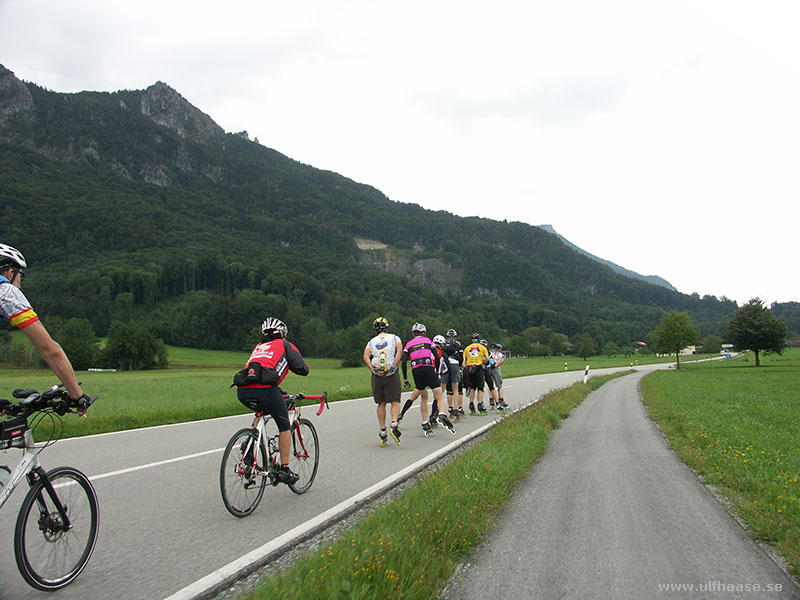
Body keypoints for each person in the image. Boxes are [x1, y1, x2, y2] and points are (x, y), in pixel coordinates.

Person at [0, 244, 91, 409]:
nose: (20, 282)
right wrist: (77, 396)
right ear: (10, 272)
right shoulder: (6, 292)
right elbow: (50, 350)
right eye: (21, 275)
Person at [236, 317, 309, 484]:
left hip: (243, 390)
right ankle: (284, 469)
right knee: (284, 425)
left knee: (262, 412)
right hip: (266, 390)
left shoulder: (259, 347)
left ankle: (250, 443)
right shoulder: (284, 344)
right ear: (282, 333)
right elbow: (303, 369)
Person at [400, 323, 455, 436]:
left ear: (413, 333)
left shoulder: (409, 344)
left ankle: (423, 422)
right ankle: (442, 415)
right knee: (438, 395)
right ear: (423, 332)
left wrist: (405, 378)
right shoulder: (427, 341)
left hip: (416, 370)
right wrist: (436, 371)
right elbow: (436, 354)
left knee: (422, 397)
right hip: (428, 368)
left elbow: (404, 361)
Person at [363, 317, 403, 446]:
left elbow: (365, 356)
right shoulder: (395, 337)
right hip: (390, 371)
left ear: (375, 330)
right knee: (395, 401)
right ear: (387, 328)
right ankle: (394, 422)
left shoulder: (371, 341)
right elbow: (399, 351)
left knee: (381, 403)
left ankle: (383, 431)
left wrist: (372, 369)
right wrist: (394, 366)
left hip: (377, 373)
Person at [462, 333, 489, 415]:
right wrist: (483, 362)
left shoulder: (467, 348)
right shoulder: (483, 348)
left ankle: (471, 404)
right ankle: (480, 405)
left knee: (472, 387)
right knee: (480, 387)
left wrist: (466, 368)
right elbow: (487, 359)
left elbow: (463, 361)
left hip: (469, 368)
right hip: (478, 367)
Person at [440, 329, 464, 419]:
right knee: (456, 388)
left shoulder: (444, 344)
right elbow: (461, 358)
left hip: (446, 364)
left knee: (442, 388)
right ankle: (456, 409)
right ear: (456, 337)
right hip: (455, 364)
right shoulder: (457, 345)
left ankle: (437, 410)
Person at [487, 342, 508, 410]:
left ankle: (491, 399)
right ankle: (501, 400)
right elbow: (501, 360)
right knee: (499, 385)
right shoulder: (499, 353)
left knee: (490, 385)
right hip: (495, 369)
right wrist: (496, 365)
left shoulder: (488, 352)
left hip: (488, 368)